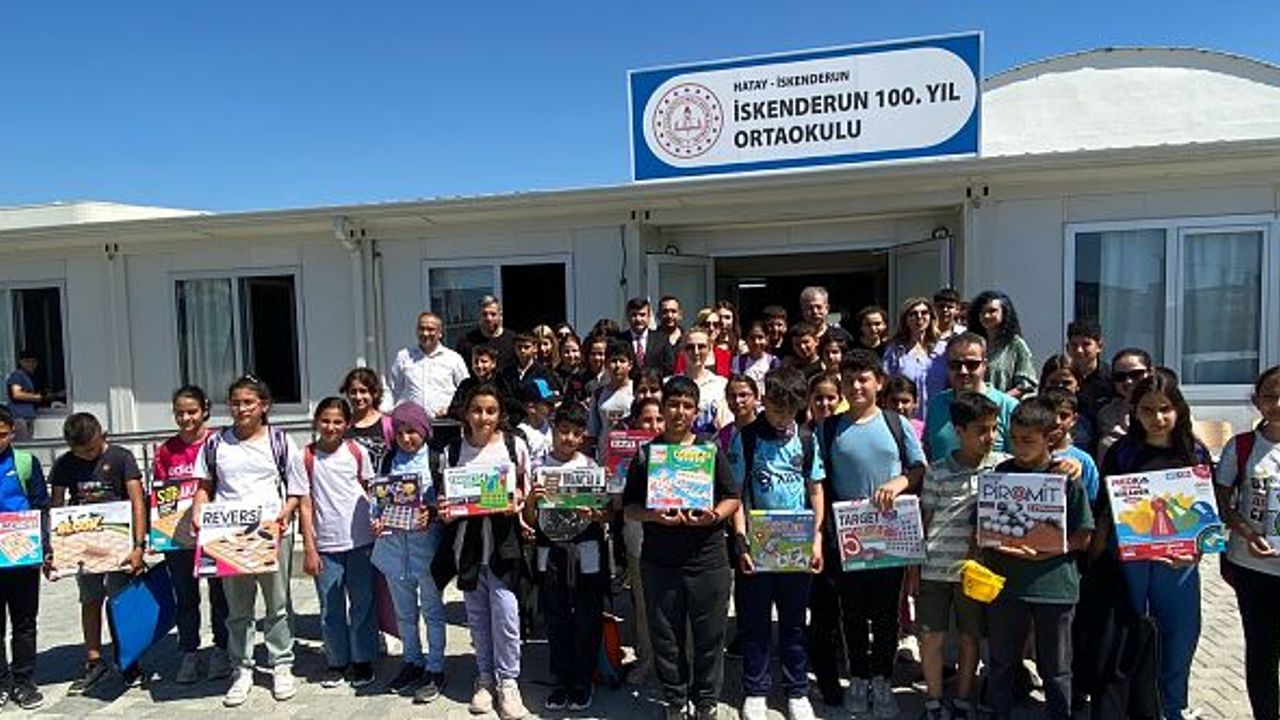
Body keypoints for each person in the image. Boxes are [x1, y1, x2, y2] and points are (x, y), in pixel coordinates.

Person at [809, 350, 926, 718]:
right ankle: (858, 676)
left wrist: (898, 483)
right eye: (849, 380)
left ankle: (882, 678)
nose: (856, 386)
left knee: (887, 612)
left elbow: (918, 467)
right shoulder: (828, 428)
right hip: (848, 535)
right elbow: (819, 482)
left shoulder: (896, 423)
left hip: (890, 532)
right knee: (853, 611)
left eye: (863, 379)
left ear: (879, 382)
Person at [622, 376, 741, 720]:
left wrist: (713, 516)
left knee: (709, 637)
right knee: (666, 638)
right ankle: (676, 700)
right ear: (663, 408)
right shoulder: (647, 454)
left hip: (708, 558)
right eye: (673, 404)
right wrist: (653, 515)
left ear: (696, 411)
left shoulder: (709, 450)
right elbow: (629, 506)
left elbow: (732, 497)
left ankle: (706, 702)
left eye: (687, 406)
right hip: (660, 560)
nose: (680, 412)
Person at [1096, 374, 1209, 720]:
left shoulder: (1195, 451)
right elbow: (1104, 511)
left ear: (1178, 410)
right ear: (1134, 411)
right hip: (1131, 561)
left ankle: (1171, 707)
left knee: (1179, 636)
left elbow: (1207, 511)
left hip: (1179, 564)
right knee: (1132, 633)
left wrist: (1197, 551)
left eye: (1165, 409)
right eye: (1147, 410)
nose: (1157, 418)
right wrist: (1098, 558)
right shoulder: (1122, 452)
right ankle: (1134, 706)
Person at [983, 398, 1094, 720]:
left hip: (1054, 585)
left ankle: (1059, 713)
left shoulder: (1067, 477)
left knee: (1056, 666)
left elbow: (1084, 535)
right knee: (1002, 660)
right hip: (1007, 584)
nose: (1019, 447)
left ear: (1050, 437)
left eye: (1028, 440)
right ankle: (998, 712)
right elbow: (984, 527)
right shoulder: (1000, 474)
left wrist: (1052, 548)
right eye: (1015, 439)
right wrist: (996, 543)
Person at [193, 375, 300, 706]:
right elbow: (204, 487)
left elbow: (297, 488)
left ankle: (281, 664)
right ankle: (241, 668)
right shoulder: (215, 443)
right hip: (229, 534)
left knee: (277, 604)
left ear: (263, 405)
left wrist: (286, 512)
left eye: (249, 402)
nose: (242, 409)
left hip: (271, 533)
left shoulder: (280, 441)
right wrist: (198, 513)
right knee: (238, 609)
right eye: (236, 403)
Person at [728, 368, 824, 720]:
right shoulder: (746, 438)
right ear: (764, 401)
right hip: (757, 544)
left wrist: (816, 539)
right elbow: (735, 495)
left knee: (794, 622)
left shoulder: (807, 439)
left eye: (790, 411)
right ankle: (755, 689)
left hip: (797, 545)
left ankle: (797, 690)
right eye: (777, 409)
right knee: (754, 622)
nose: (783, 417)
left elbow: (816, 490)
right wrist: (741, 542)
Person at [435, 383, 531, 720]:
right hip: (469, 545)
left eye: (491, 411)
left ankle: (509, 681)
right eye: (477, 410)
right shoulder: (451, 451)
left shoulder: (514, 445)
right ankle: (485, 677)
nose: (483, 417)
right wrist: (444, 510)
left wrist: (519, 503)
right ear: (466, 413)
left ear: (500, 413)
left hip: (504, 542)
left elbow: (527, 489)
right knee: (477, 616)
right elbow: (443, 497)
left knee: (506, 614)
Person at [914, 391, 1005, 720]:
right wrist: (914, 569)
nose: (989, 437)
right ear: (959, 430)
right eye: (981, 430)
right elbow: (924, 521)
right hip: (934, 568)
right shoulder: (937, 471)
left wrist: (1069, 464)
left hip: (977, 572)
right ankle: (933, 701)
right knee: (930, 638)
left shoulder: (1004, 467)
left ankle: (964, 700)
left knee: (971, 637)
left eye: (994, 428)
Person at [49, 412, 147, 694]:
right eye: (80, 452)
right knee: (90, 599)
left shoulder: (121, 457)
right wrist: (54, 551)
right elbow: (56, 507)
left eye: (92, 450)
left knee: (121, 601)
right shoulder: (64, 463)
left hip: (119, 542)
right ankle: (94, 660)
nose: (87, 456)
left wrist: (139, 545)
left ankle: (128, 659)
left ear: (102, 436)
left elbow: (137, 501)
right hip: (82, 542)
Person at [525, 403, 608, 712]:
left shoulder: (590, 467)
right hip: (550, 549)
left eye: (575, 433)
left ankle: (583, 680)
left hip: (586, 547)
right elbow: (530, 520)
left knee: (588, 614)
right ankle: (561, 680)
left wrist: (596, 514)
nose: (568, 438)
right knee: (555, 615)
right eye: (563, 431)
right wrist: (531, 501)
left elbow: (605, 514)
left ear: (583, 436)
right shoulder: (538, 468)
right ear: (553, 430)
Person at [292, 397, 378, 690]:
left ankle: (363, 659)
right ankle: (337, 661)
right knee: (331, 606)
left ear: (347, 424)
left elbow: (371, 491)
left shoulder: (357, 452)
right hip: (326, 543)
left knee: (363, 602)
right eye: (326, 421)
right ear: (317, 421)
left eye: (338, 421)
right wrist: (309, 546)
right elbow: (304, 505)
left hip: (361, 540)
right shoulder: (305, 457)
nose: (331, 427)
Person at [152, 385, 230, 684]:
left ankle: (222, 650)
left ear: (204, 411)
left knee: (220, 595)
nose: (186, 418)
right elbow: (159, 496)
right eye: (180, 413)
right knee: (185, 597)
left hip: (216, 532)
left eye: (192, 412)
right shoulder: (166, 450)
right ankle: (189, 653)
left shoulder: (219, 442)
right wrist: (155, 533)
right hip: (178, 537)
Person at [1215, 365, 1280, 720]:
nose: (1278, 403)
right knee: (1262, 650)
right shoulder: (1240, 447)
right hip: (1252, 566)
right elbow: (1222, 501)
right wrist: (1247, 534)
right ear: (1257, 401)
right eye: (1270, 396)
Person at [373, 401, 448, 703]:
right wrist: (376, 519)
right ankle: (412, 661)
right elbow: (376, 499)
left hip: (425, 548)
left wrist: (433, 512)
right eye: (400, 432)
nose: (406, 438)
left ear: (424, 430)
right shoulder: (387, 459)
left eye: (412, 431)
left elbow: (448, 501)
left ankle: (436, 667)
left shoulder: (437, 459)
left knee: (432, 610)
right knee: (404, 613)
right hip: (394, 549)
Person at [0, 405, 48, 710]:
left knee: (25, 622)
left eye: (2, 434)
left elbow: (41, 505)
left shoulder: (25, 463)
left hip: (21, 555)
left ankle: (23, 681)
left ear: (12, 433)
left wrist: (46, 547)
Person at [923, 332, 1018, 462]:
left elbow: (1019, 458)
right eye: (955, 365)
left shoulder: (1008, 406)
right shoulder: (936, 404)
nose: (963, 371)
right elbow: (928, 452)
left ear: (984, 365)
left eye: (971, 365)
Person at [622, 394, 664, 686]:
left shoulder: (680, 452)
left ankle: (677, 661)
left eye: (659, 419)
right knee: (642, 603)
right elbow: (618, 502)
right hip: (637, 537)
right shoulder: (626, 451)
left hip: (674, 539)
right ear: (635, 422)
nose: (654, 425)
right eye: (647, 420)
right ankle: (646, 658)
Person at [389, 312, 470, 418]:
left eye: (431, 329)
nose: (425, 333)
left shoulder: (453, 359)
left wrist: (452, 410)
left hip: (444, 420)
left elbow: (466, 391)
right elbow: (393, 390)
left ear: (440, 333)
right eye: (421, 329)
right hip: (412, 422)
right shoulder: (404, 357)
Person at [882, 298, 948, 422]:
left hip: (938, 417)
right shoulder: (895, 350)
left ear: (931, 317)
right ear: (905, 320)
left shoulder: (943, 349)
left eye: (924, 313)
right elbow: (886, 385)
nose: (919, 317)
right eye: (913, 314)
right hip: (904, 418)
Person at [967, 290, 1036, 398]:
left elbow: (1025, 385)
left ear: (1004, 313)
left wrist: (999, 400)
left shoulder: (1016, 345)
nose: (986, 316)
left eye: (992, 311)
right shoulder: (972, 343)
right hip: (972, 405)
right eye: (982, 312)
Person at [1040, 387, 1101, 504]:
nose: (1057, 421)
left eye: (1064, 416)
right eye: (1050, 414)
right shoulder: (1028, 454)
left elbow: (1091, 502)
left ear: (1074, 419)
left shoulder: (1084, 461)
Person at [1094, 348, 1154, 463]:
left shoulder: (1169, 409)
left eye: (1136, 374)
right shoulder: (1106, 414)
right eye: (1120, 377)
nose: (1128, 381)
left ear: (1151, 372)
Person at [680, 328, 732, 440]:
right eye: (690, 347)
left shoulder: (721, 385)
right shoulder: (670, 383)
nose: (696, 352)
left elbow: (726, 425)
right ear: (682, 351)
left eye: (701, 346)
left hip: (711, 447)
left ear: (709, 349)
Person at [342, 368, 395, 473]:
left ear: (374, 393)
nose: (358, 397)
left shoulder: (388, 424)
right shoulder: (343, 426)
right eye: (353, 392)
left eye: (363, 391)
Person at [1040, 358, 1095, 456]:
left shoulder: (1090, 415)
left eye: (1066, 383)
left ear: (1078, 384)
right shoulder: (1032, 413)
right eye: (1053, 382)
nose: (1060, 387)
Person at [588, 339, 636, 449]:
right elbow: (593, 432)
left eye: (622, 361)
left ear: (630, 365)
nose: (618, 365)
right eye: (613, 361)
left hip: (633, 453)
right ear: (606, 364)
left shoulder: (637, 390)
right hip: (605, 454)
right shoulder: (598, 394)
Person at [1066, 319, 1114, 425]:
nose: (1079, 350)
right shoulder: (1061, 376)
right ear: (1067, 348)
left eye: (1086, 344)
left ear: (1099, 347)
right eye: (1074, 345)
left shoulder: (1110, 378)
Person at [455, 296, 518, 371]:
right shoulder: (465, 342)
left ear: (500, 316)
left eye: (493, 314)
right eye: (484, 314)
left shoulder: (513, 340)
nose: (489, 318)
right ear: (479, 316)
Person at [619, 297, 676, 376]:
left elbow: (669, 367)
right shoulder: (620, 340)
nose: (638, 319)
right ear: (628, 317)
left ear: (649, 317)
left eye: (642, 315)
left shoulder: (661, 339)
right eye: (634, 315)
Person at [449, 344, 501, 421]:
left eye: (484, 362)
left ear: (493, 364)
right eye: (476, 361)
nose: (479, 365)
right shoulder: (466, 385)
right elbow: (453, 409)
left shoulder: (501, 384)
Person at [732, 321, 779, 397]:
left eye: (760, 337)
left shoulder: (773, 362)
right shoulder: (737, 361)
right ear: (746, 339)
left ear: (767, 339)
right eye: (752, 338)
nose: (756, 342)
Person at [516, 378, 557, 465]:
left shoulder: (551, 426)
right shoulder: (521, 434)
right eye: (548, 404)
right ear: (531, 407)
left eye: (553, 404)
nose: (553, 408)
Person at [4, 351, 44, 441]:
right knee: (22, 445)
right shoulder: (17, 375)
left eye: (34, 362)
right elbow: (16, 394)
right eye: (28, 362)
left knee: (28, 443)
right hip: (19, 417)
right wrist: (37, 398)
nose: (31, 365)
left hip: (28, 417)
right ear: (21, 362)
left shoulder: (28, 377)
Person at [881, 376, 925, 442]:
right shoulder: (876, 429)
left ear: (915, 402)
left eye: (905, 401)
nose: (899, 407)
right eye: (894, 401)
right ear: (884, 401)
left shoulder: (923, 431)